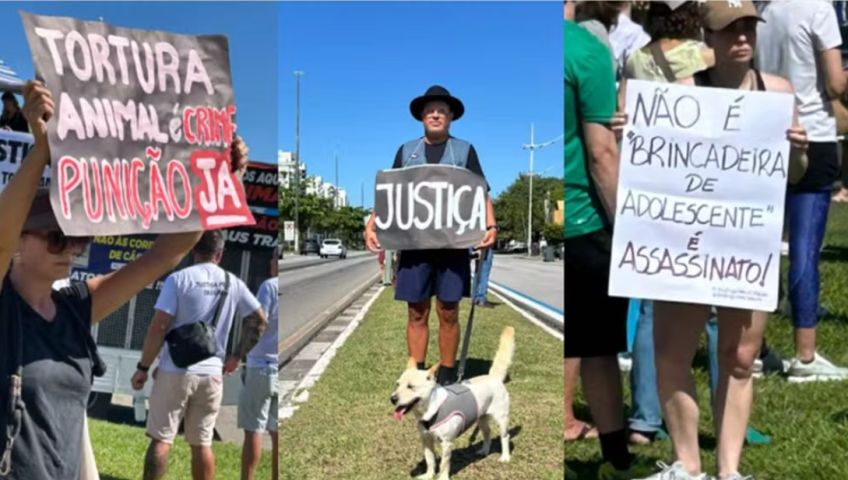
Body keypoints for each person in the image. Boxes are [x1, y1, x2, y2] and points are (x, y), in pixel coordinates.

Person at [0, 81, 246, 480]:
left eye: (78, 238)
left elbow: (167, 252)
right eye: (57, 237)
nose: (71, 249)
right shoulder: (4, 304)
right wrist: (44, 148)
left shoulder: (76, 308)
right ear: (18, 240)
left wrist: (217, 176)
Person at [633, 2, 809, 478]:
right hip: (686, 245)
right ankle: (688, 464)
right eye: (730, 29)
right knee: (672, 355)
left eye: (749, 26)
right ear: (707, 38)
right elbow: (656, 170)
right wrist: (635, 137)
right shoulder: (681, 93)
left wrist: (797, 151)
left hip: (746, 247)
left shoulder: (779, 94)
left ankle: (730, 471)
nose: (742, 37)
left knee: (741, 357)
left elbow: (793, 176)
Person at [363, 85, 497, 387]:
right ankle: (417, 374)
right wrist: (372, 224)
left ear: (451, 117)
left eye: (441, 110)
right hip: (415, 245)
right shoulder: (406, 151)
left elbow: (481, 192)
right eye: (430, 110)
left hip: (452, 245)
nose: (435, 115)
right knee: (417, 310)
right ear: (422, 116)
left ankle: (448, 375)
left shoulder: (464, 151)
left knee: (449, 310)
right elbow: (390, 195)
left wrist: (491, 226)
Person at [564, 4, 648, 479]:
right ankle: (615, 456)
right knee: (597, 347)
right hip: (585, 220)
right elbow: (601, 153)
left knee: (568, 341)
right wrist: (630, 227)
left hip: (564, 223)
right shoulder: (585, 49)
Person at [756, 0, 848, 381]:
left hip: (766, 129)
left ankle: (755, 349)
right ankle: (805, 355)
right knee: (805, 249)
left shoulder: (762, 11)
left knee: (761, 246)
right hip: (814, 131)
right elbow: (834, 83)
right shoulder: (818, 10)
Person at [131, 229, 268, 480]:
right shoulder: (233, 282)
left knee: (161, 439)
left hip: (176, 370)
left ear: (194, 249)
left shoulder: (179, 279)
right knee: (203, 443)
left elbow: (159, 325)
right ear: (220, 253)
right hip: (212, 373)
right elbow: (259, 320)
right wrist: (237, 355)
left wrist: (143, 366)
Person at [239, 246, 279, 480]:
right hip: (277, 366)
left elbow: (258, 322)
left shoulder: (269, 287)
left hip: (261, 365)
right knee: (276, 433)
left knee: (254, 429)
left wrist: (240, 353)